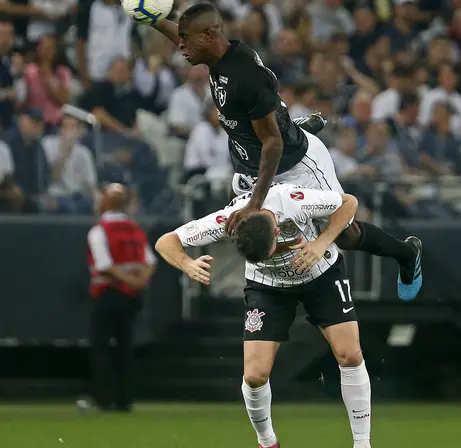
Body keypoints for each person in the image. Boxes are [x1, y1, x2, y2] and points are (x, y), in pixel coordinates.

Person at [147, 3, 423, 300]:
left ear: (208, 35)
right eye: (181, 37)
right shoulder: (216, 53)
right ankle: (288, 125)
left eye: (185, 39)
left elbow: (273, 144)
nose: (180, 46)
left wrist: (256, 203)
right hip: (253, 160)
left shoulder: (245, 76)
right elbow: (188, 38)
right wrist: (153, 20)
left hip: (293, 161)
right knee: (244, 220)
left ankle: (407, 253)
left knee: (345, 233)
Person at [155, 184, 375, 448]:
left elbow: (348, 202)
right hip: (268, 288)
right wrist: (187, 263)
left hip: (321, 274)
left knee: (350, 354)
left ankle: (362, 444)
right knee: (255, 375)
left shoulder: (295, 201)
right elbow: (166, 241)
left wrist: (321, 243)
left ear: (278, 230)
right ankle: (267, 442)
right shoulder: (227, 219)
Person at [86, 183, 157, 412]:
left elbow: (104, 265)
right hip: (133, 298)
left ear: (105, 202)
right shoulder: (135, 230)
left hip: (108, 294)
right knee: (125, 347)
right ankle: (125, 399)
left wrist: (126, 281)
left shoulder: (100, 231)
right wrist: (139, 282)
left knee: (101, 347)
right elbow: (149, 261)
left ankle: (104, 399)